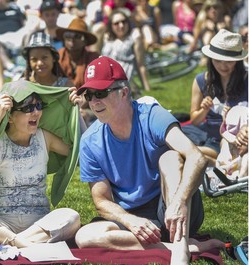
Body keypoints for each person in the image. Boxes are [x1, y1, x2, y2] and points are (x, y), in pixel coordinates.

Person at [73, 56, 225, 264]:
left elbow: (196, 157)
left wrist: (179, 202)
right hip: (135, 219)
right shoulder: (90, 141)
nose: (94, 102)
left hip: (174, 207)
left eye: (100, 93)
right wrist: (130, 220)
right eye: (89, 95)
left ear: (124, 92)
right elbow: (101, 201)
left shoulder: (152, 116)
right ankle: (182, 246)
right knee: (85, 237)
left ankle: (180, 255)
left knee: (170, 158)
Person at [0, 80, 81, 248]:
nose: (36, 112)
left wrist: (77, 112)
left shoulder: (44, 137)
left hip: (39, 223)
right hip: (2, 224)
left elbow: (81, 153)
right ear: (11, 117)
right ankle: (29, 246)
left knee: (71, 216)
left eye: (39, 106)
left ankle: (15, 244)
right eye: (28, 108)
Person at [182, 29, 248, 166]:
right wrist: (204, 110)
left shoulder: (246, 79)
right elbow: (194, 120)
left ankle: (209, 161)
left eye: (228, 61)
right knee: (171, 139)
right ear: (211, 59)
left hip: (239, 138)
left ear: (237, 61)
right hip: (211, 137)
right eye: (218, 61)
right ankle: (213, 162)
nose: (223, 66)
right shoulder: (202, 80)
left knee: (183, 152)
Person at [102, 8, 150, 91]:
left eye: (124, 22)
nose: (121, 25)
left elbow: (140, 65)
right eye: (116, 23)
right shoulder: (108, 38)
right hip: (106, 77)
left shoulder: (134, 36)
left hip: (122, 78)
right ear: (111, 26)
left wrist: (146, 87)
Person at [56, 17, 100, 89]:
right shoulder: (58, 56)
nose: (72, 39)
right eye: (68, 35)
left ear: (85, 41)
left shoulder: (94, 59)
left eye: (77, 36)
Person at [216, 105, 248, 178]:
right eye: (234, 143)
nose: (237, 146)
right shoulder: (228, 150)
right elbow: (220, 166)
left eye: (242, 142)